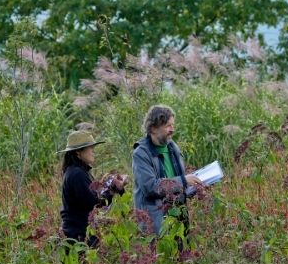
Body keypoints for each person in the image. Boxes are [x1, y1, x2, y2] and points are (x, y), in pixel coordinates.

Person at [132, 105, 202, 236]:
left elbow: (178, 183)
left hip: (178, 218)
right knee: (162, 255)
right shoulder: (141, 154)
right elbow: (150, 186)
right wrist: (183, 181)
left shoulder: (172, 147)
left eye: (173, 125)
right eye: (168, 126)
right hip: (156, 222)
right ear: (153, 128)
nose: (172, 130)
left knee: (181, 254)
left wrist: (195, 186)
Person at [60, 130, 124, 247]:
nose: (93, 152)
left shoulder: (78, 171)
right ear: (78, 152)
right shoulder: (77, 174)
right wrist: (113, 189)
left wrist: (112, 187)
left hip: (80, 233)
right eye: (90, 148)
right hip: (78, 237)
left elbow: (93, 200)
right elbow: (94, 204)